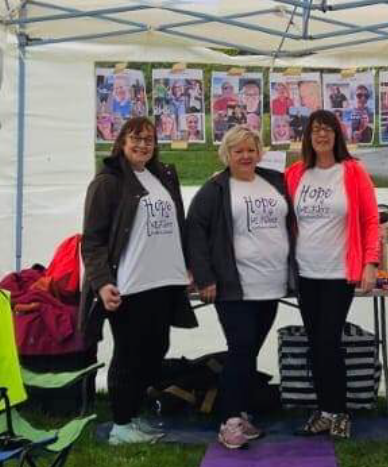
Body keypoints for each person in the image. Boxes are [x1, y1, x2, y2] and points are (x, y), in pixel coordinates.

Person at [81, 116, 195, 443]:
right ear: (122, 142)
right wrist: (102, 282)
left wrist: (186, 266)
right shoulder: (108, 181)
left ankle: (134, 414)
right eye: (136, 138)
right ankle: (120, 424)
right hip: (129, 285)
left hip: (164, 282)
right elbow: (92, 241)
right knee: (129, 354)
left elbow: (178, 226)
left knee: (156, 349)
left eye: (149, 140)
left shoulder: (163, 176)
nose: (142, 145)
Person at [185, 125, 295, 450]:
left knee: (248, 352)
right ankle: (229, 421)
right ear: (227, 155)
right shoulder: (215, 188)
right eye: (238, 151)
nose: (245, 156)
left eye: (251, 149)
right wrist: (205, 277)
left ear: (259, 152)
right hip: (235, 287)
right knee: (241, 348)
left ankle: (242, 414)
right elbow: (195, 232)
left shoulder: (275, 181)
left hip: (272, 285)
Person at [285, 109, 381, 438]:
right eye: (315, 130)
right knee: (316, 343)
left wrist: (371, 263)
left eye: (328, 129)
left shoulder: (353, 172)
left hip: (339, 273)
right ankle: (326, 411)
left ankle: (338, 411)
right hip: (305, 273)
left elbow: (371, 220)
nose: (322, 135)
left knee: (328, 340)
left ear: (337, 135)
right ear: (308, 137)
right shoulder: (296, 174)